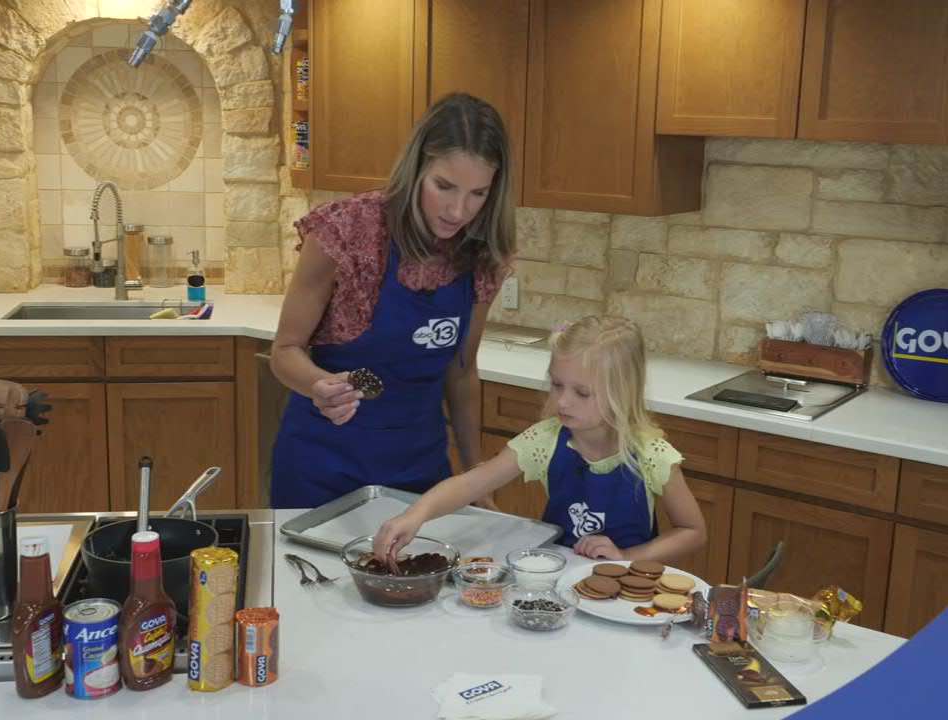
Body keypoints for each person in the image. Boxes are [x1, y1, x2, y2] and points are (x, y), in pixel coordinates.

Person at [269, 93, 514, 509]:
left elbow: (461, 372)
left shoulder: (482, 253)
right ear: (416, 168)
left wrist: (477, 477)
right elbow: (285, 351)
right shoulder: (346, 231)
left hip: (420, 473)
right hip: (321, 469)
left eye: (478, 193)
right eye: (444, 186)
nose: (458, 211)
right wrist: (318, 386)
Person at [374, 316, 707, 564]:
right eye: (557, 385)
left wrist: (626, 557)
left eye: (582, 392)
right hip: (558, 576)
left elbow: (693, 532)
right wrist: (415, 515)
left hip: (627, 587)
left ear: (622, 393)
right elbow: (471, 483)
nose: (563, 401)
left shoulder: (652, 455)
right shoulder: (545, 440)